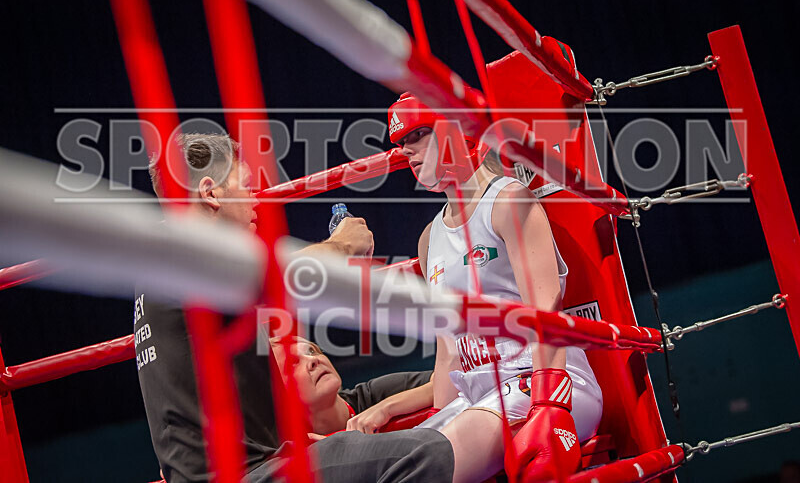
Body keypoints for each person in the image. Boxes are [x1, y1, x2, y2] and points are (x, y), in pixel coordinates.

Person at [135, 133, 454, 482]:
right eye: (245, 187)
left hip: (253, 465)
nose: (255, 201)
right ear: (211, 193)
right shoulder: (184, 253)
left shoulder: (164, 264)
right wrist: (342, 245)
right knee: (425, 451)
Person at [385, 93, 604, 482]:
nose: (406, 150)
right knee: (390, 465)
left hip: (545, 383)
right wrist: (436, 416)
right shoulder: (428, 239)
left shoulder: (507, 202)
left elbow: (545, 309)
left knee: (424, 471)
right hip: (478, 399)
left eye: (418, 134)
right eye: (401, 142)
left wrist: (548, 404)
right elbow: (448, 352)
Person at [268, 336, 432, 438]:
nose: (313, 360)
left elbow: (451, 378)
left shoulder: (373, 394)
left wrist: (386, 409)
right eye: (292, 363)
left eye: (311, 351)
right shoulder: (286, 457)